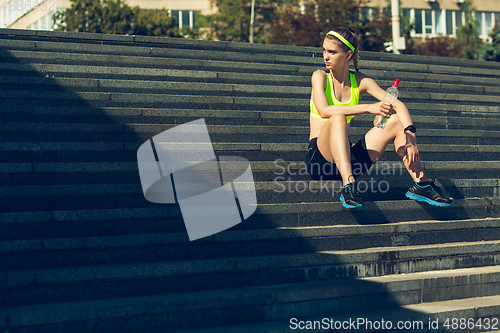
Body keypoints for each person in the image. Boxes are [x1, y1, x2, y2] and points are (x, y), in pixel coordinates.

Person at [305, 27, 453, 209]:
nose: (325, 56)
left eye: (332, 52)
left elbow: (398, 105)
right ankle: (349, 186)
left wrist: (411, 138)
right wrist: (369, 108)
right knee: (337, 117)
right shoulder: (319, 76)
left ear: (348, 55)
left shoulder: (361, 81)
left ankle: (421, 183)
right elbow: (324, 110)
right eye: (324, 50)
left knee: (397, 121)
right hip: (320, 161)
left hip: (347, 158)